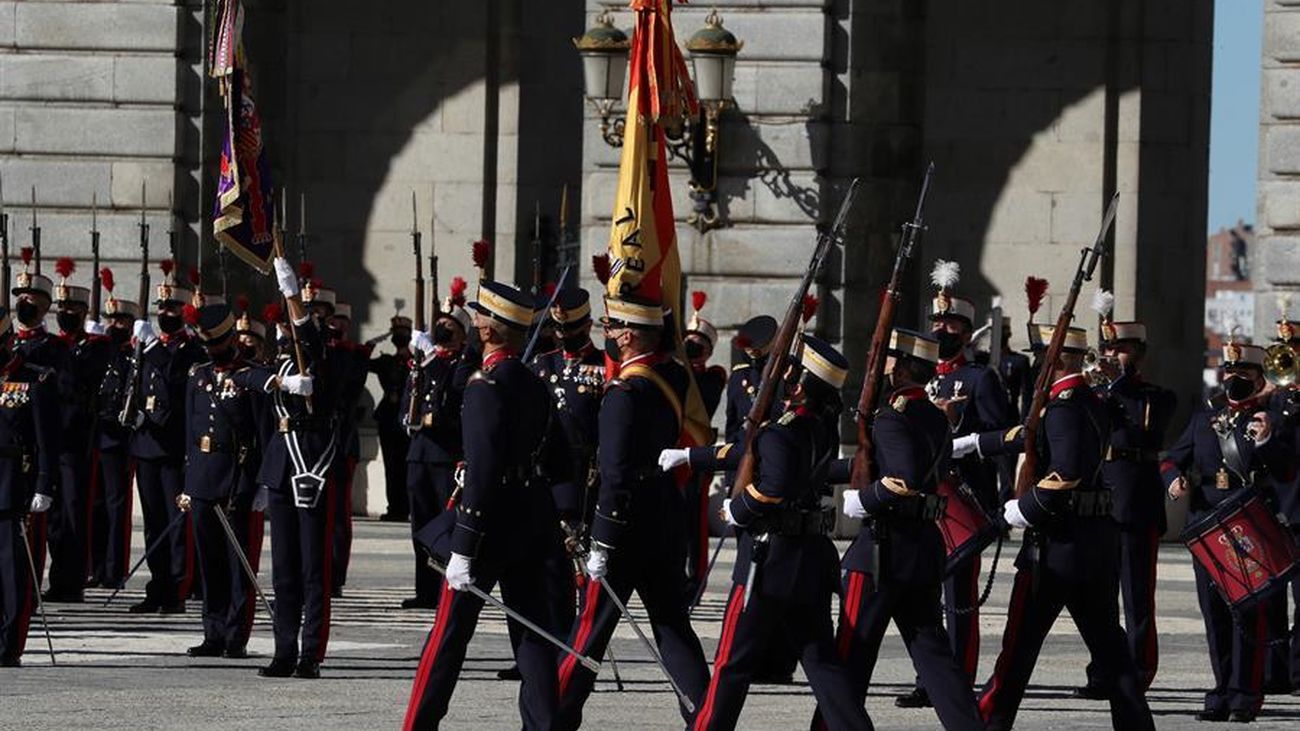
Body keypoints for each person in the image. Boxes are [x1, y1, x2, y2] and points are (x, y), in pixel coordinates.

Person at [662, 334, 873, 731]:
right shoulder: (820, 428)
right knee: (821, 662)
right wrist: (694, 456)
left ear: (797, 384)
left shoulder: (780, 430)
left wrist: (737, 509)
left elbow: (773, 487)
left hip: (769, 558)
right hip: (808, 557)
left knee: (731, 664)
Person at [965, 324, 1154, 730]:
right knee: (1111, 650)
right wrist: (976, 443)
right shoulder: (1085, 398)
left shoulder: (1065, 405)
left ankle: (989, 723)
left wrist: (1020, 510)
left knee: (1017, 651)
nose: (1035, 364)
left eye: (1040, 356)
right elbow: (1031, 436)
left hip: (1057, 547)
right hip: (1093, 544)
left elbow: (1065, 472)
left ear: (1051, 361)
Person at [402, 279, 570, 730]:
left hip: (488, 523)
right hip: (530, 517)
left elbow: (481, 469)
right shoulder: (534, 382)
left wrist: (463, 545)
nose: (473, 323)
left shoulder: (485, 385)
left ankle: (419, 724)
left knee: (448, 636)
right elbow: (555, 457)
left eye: (479, 317)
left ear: (490, 329)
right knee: (533, 635)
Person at [555, 295, 710, 730]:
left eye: (610, 328)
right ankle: (705, 718)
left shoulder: (625, 392)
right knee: (672, 626)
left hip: (624, 524)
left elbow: (616, 470)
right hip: (663, 512)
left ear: (627, 335)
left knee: (590, 629)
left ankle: (556, 720)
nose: (605, 335)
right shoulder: (672, 375)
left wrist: (602, 539)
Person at [818, 329, 985, 730]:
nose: (885, 365)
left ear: (906, 366)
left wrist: (864, 500)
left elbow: (903, 478)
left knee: (851, 655)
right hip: (923, 546)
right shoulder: (936, 416)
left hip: (882, 551)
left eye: (891, 358)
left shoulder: (893, 414)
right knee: (933, 655)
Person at [1162, 340, 1295, 722]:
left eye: (1243, 374)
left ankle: (1245, 694)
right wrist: (1173, 479)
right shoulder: (1206, 418)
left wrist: (1267, 440)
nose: (1234, 379)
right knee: (1215, 614)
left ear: (1258, 378)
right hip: (1208, 527)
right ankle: (1221, 687)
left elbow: (1287, 472)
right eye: (1230, 372)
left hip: (1249, 527)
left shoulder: (1272, 419)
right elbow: (1174, 458)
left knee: (1249, 616)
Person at [905, 262, 1017, 708]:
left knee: (959, 597)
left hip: (964, 499)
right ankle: (928, 676)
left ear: (967, 331)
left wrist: (967, 444)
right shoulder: (920, 377)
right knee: (923, 595)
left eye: (950, 322)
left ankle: (958, 678)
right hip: (923, 499)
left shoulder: (979, 378)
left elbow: (1004, 436)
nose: (941, 328)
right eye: (937, 321)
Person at [1074, 311, 1177, 698]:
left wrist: (1113, 386)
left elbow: (1145, 434)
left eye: (1120, 348)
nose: (1112, 354)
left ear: (1138, 353)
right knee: (1097, 598)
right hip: (1097, 504)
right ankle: (1104, 670)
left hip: (1135, 503)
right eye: (1108, 348)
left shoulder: (1152, 396)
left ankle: (1137, 670)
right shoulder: (1093, 394)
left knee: (1136, 596)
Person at [256, 259, 337, 679]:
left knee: (311, 567)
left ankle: (310, 653)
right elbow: (249, 374)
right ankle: (283, 648)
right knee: (283, 567)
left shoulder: (319, 353)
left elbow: (309, 335)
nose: (285, 328)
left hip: (311, 462)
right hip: (280, 462)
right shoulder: (281, 360)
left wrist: (292, 294)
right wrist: (278, 382)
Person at [177, 302, 267, 658]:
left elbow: (261, 432)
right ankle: (212, 631)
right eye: (207, 347)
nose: (211, 353)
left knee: (236, 561)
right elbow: (190, 431)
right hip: (202, 476)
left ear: (230, 339)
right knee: (208, 560)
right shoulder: (198, 375)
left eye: (216, 345)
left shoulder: (252, 374)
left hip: (236, 477)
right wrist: (188, 480)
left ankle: (235, 635)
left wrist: (260, 482)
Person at [128, 260, 203, 614]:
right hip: (146, 445)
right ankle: (158, 586)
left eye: (172, 307)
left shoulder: (192, 351)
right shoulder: (146, 348)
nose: (165, 313)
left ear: (185, 311)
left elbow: (175, 384)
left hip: (174, 447)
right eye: (161, 307)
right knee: (153, 521)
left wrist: (152, 348)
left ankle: (176, 588)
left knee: (176, 524)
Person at [529, 287, 603, 634]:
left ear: (587, 326)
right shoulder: (543, 365)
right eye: (559, 330)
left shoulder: (604, 367)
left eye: (571, 330)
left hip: (586, 481)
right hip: (548, 479)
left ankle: (578, 642)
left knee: (584, 569)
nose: (564, 337)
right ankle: (550, 642)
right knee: (546, 568)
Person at [399, 285, 476, 611]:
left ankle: (447, 588)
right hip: (419, 454)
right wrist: (407, 418)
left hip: (446, 456)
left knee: (446, 527)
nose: (443, 330)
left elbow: (450, 400)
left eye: (450, 326)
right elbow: (407, 402)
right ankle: (425, 590)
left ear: (462, 335)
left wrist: (430, 358)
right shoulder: (423, 363)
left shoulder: (458, 366)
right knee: (420, 526)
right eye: (440, 324)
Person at [43, 260, 112, 603]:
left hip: (76, 441)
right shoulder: (52, 346)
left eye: (72, 307)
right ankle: (57, 577)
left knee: (72, 511)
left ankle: (71, 581)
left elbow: (81, 383)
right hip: (48, 440)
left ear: (85, 311)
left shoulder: (95, 349)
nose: (65, 312)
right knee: (52, 515)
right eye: (61, 306)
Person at [0, 306, 60, 667]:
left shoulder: (35, 380)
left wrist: (43, 484)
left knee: (13, 574)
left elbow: (46, 441)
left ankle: (9, 644)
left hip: (15, 487)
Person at [89, 271, 141, 590]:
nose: (114, 325)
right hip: (93, 435)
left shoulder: (130, 356)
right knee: (95, 505)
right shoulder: (101, 351)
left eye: (121, 321)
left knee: (115, 504)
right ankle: (96, 566)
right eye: (111, 320)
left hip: (117, 439)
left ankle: (114, 568)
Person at [682, 291, 727, 603]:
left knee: (694, 522)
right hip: (671, 453)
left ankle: (695, 579)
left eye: (698, 344)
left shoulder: (713, 375)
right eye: (688, 341)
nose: (691, 346)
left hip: (696, 456)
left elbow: (702, 398)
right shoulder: (676, 369)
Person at [1265, 312, 1300, 695]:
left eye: (1294, 351)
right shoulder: (1275, 401)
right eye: (1285, 351)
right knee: (1271, 599)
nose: (1288, 358)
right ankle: (1274, 671)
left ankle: (1297, 671)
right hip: (1275, 506)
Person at [369, 314, 415, 522]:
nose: (399, 336)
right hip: (388, 419)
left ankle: (406, 507)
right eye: (396, 333)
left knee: (407, 466)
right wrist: (379, 338)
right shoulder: (386, 361)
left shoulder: (415, 363)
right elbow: (362, 359)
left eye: (403, 333)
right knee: (391, 466)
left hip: (406, 420)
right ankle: (394, 507)